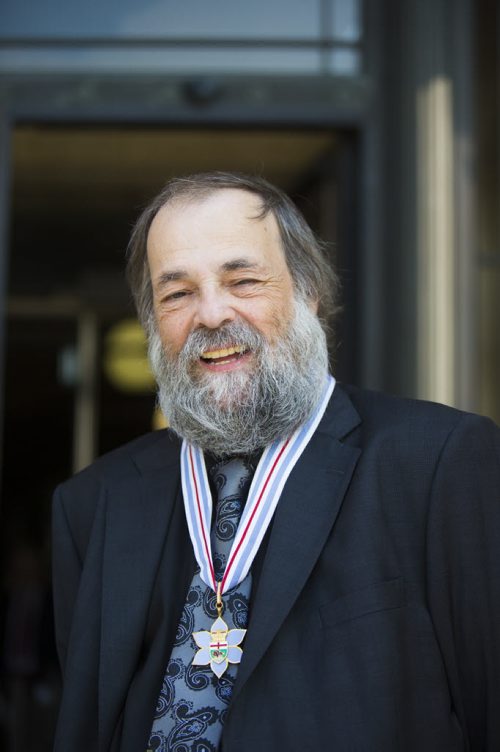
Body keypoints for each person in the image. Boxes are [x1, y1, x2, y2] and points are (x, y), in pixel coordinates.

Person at [52, 172, 500, 752]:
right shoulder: (93, 504)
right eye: (178, 293)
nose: (212, 315)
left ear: (308, 293)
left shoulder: (439, 463)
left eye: (243, 280)